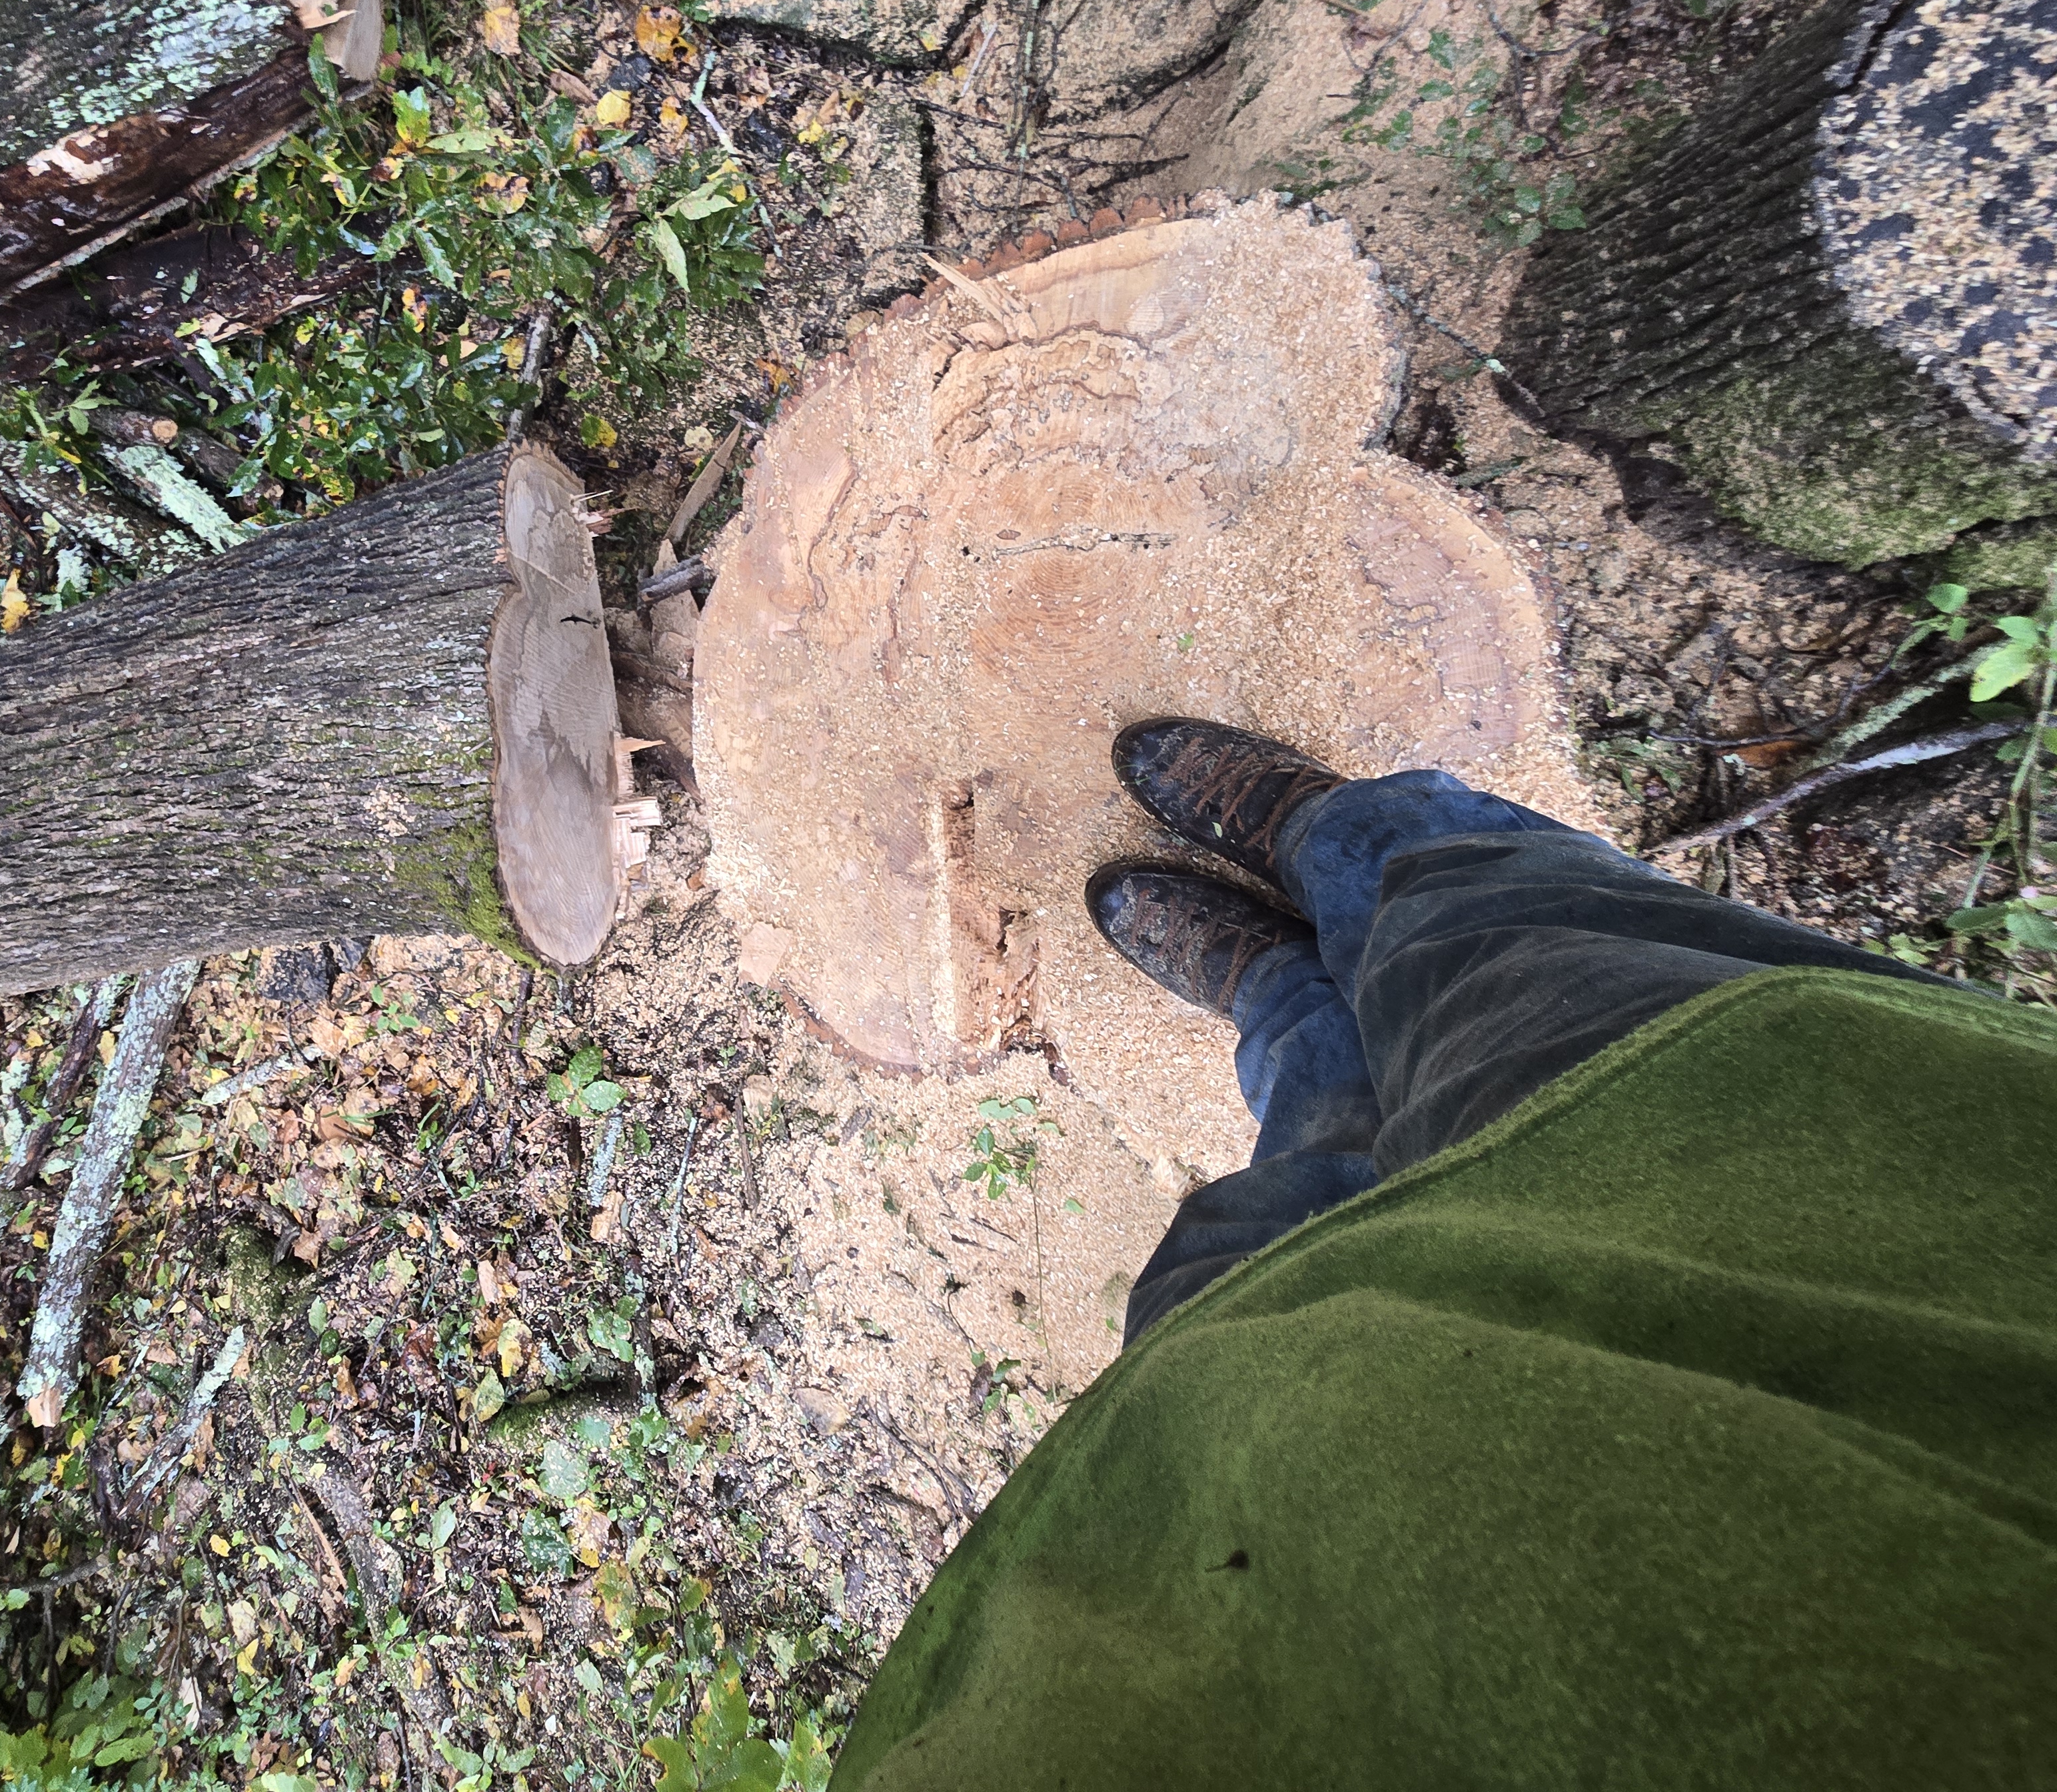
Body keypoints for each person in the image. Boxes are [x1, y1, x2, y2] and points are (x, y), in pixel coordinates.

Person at [829, 719, 2057, 1792]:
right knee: (1533, 971)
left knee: (1260, 1252)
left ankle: (1302, 990)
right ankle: (1339, 869)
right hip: (1825, 1211)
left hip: (1191, 1555)